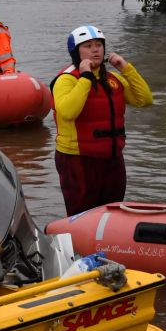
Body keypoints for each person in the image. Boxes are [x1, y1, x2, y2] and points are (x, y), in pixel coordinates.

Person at [51, 25, 153, 217]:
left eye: (99, 45)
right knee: (81, 216)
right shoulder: (66, 79)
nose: (95, 49)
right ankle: (78, 247)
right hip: (78, 159)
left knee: (112, 214)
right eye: (88, 46)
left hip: (112, 158)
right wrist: (86, 77)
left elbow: (144, 100)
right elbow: (67, 112)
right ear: (76, 52)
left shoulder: (112, 79)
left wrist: (125, 67)